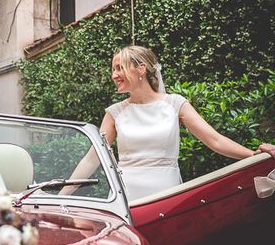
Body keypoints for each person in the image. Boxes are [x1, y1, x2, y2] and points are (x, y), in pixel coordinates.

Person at [62, 45, 275, 201]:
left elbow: (215, 140)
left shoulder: (175, 104)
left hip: (168, 194)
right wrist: (61, 196)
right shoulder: (114, 113)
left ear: (141, 69)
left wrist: (253, 156)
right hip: (126, 198)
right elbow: (92, 159)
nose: (114, 75)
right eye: (113, 69)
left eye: (119, 68)